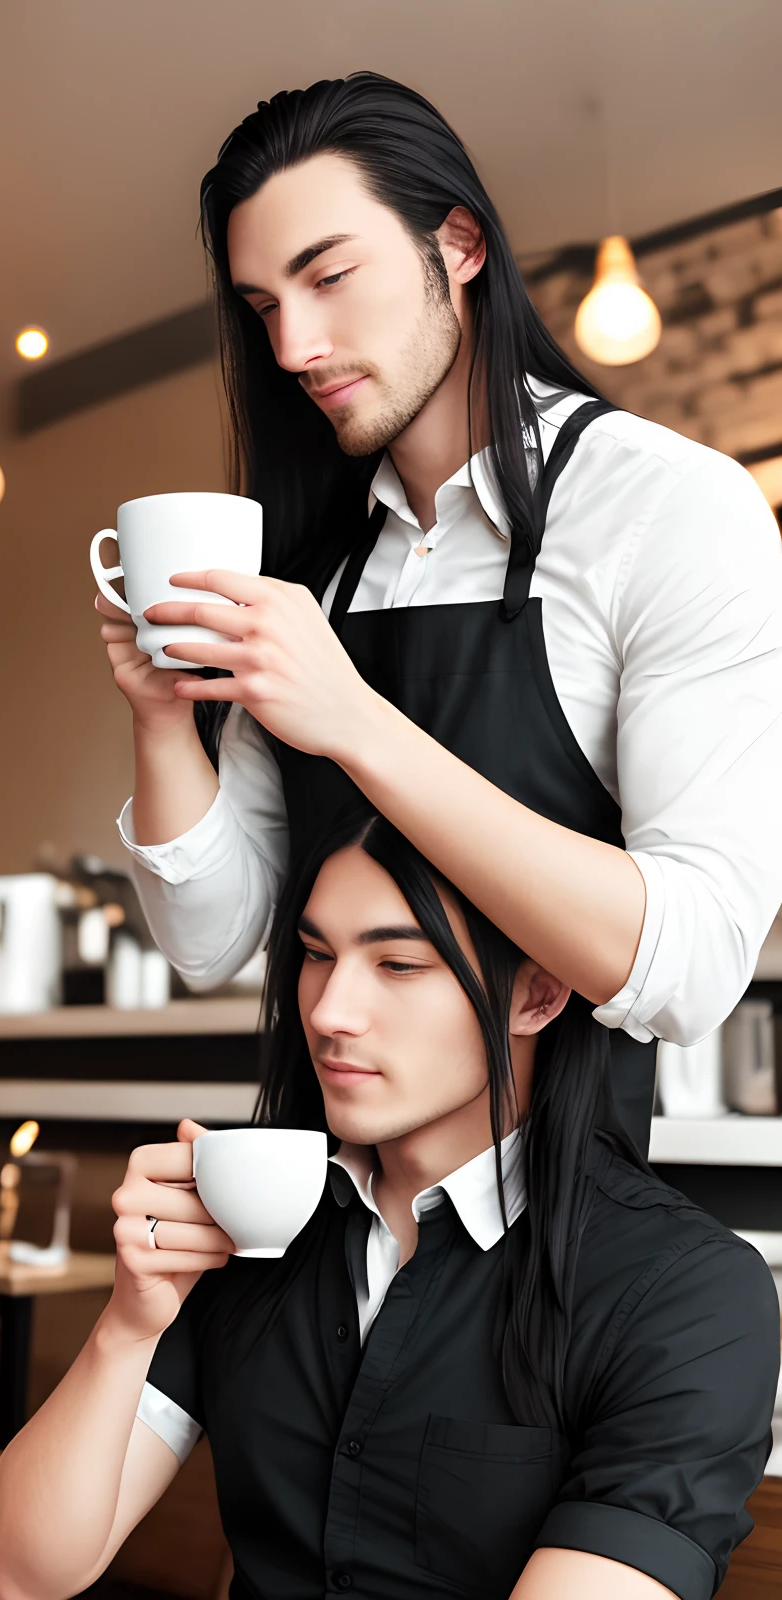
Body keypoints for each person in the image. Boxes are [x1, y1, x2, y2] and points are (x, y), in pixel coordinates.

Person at [0, 813, 779, 1600]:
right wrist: (129, 1322)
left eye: (399, 965)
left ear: (538, 991)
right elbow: (29, 1569)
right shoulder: (263, 1231)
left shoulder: (684, 1293)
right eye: (313, 955)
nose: (331, 1011)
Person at [101, 72, 782, 1156]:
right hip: (325, 1231)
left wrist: (355, 722)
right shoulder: (321, 565)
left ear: (458, 246)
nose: (291, 348)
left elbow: (690, 967)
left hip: (563, 1247)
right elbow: (212, 940)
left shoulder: (666, 509)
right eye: (264, 306)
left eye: (328, 277)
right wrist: (158, 714)